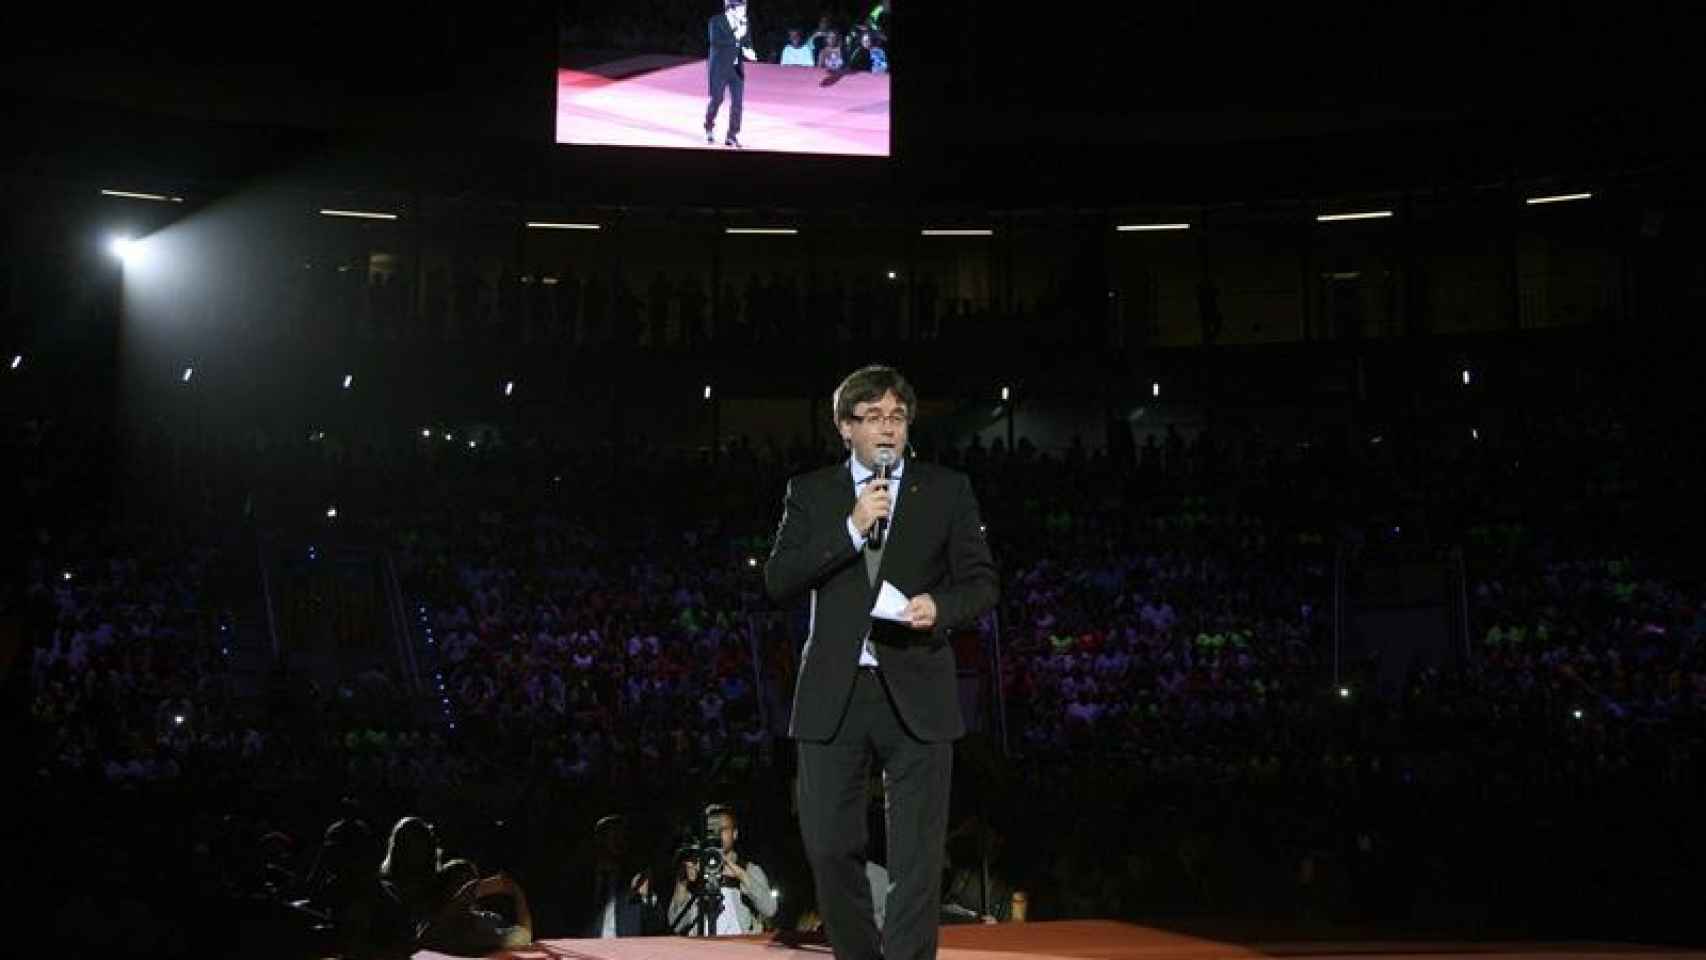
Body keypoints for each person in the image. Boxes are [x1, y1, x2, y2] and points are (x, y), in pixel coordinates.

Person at [765, 365, 999, 960]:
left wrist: (938, 606)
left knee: (918, 854)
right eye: (871, 418)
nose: (886, 429)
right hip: (834, 692)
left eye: (896, 417)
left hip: (918, 680)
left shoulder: (946, 489)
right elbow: (779, 579)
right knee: (827, 844)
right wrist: (850, 527)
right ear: (846, 428)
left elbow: (981, 582)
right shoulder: (812, 492)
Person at [667, 804, 778, 935]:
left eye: (723, 828)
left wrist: (741, 876)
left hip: (740, 950)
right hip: (702, 950)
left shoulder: (748, 869)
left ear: (735, 833)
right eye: (711, 829)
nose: (717, 833)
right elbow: (677, 925)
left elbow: (770, 910)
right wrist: (682, 883)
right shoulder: (696, 868)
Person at [705, 0, 758, 148]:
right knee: (717, 99)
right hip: (719, 68)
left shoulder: (745, 23)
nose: (745, 10)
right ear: (733, 8)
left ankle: (732, 135)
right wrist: (736, 36)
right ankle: (709, 125)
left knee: (738, 103)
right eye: (743, 7)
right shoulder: (716, 21)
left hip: (736, 68)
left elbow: (747, 42)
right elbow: (715, 41)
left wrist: (750, 51)